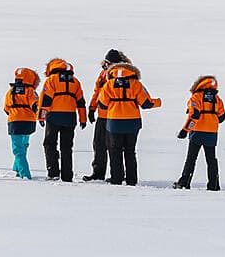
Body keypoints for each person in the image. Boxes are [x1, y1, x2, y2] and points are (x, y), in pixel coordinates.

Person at [96, 54, 160, 185]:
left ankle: (116, 179)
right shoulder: (136, 84)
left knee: (115, 151)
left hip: (114, 122)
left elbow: (102, 104)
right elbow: (146, 103)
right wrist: (158, 102)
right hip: (132, 122)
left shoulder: (108, 84)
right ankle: (131, 180)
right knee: (130, 151)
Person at [81, 50, 128, 181]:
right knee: (99, 144)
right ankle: (98, 173)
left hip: (116, 116)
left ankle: (117, 174)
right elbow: (97, 92)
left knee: (115, 146)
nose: (108, 65)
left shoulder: (125, 74)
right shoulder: (103, 74)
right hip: (102, 115)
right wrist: (92, 108)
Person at [173, 75, 225, 190]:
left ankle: (184, 182)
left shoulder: (196, 97)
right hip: (212, 133)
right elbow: (222, 117)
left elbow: (194, 116)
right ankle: (214, 185)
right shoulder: (217, 99)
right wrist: (211, 120)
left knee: (191, 159)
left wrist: (185, 130)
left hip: (197, 132)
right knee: (211, 160)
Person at [39, 58, 86, 181]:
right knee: (67, 147)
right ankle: (67, 175)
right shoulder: (75, 81)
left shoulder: (51, 80)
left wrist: (41, 116)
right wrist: (83, 118)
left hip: (54, 117)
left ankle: (53, 172)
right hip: (70, 117)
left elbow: (46, 100)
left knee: (49, 144)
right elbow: (81, 102)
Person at [4, 67, 41, 179]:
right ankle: (17, 168)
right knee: (23, 145)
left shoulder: (10, 92)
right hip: (28, 122)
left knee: (18, 149)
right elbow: (36, 105)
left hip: (14, 122)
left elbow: (6, 108)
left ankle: (24, 174)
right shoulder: (30, 91)